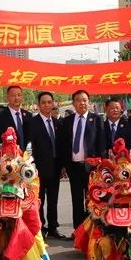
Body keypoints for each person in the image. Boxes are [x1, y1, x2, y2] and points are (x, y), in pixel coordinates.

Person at [56, 89, 101, 234]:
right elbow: (63, 144)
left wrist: (100, 164)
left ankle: (92, 230)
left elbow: (102, 144)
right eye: (78, 100)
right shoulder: (67, 121)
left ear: (88, 102)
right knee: (76, 199)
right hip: (73, 166)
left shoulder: (96, 119)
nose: (82, 103)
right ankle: (78, 230)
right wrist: (63, 165)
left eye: (85, 100)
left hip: (91, 168)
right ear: (73, 103)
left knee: (91, 200)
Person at [26, 91, 65, 239]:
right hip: (39, 169)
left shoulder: (57, 123)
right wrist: (32, 166)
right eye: (43, 102)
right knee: (39, 200)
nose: (47, 105)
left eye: (49, 102)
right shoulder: (32, 123)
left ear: (53, 103)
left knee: (53, 200)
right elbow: (29, 147)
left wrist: (62, 166)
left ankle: (53, 226)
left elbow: (61, 147)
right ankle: (40, 227)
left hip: (55, 168)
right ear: (38, 105)